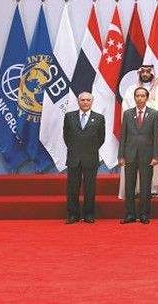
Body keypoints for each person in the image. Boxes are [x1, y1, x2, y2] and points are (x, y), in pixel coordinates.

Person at [119, 65, 158, 199]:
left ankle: (154, 189)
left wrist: (146, 110)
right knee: (133, 160)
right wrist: (144, 109)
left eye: (148, 72)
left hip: (155, 129)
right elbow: (126, 111)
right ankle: (134, 189)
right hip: (135, 130)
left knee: (153, 159)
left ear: (152, 74)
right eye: (143, 72)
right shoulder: (131, 90)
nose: (145, 74)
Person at [118, 87, 158, 224]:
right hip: (129, 155)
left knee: (145, 186)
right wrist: (121, 155)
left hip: (147, 156)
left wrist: (156, 156)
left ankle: (144, 214)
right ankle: (130, 214)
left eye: (142, 96)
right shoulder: (127, 114)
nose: (140, 98)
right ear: (134, 97)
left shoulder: (154, 114)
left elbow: (156, 136)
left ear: (147, 98)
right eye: (137, 96)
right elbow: (123, 136)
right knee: (129, 186)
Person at [63, 92, 105, 224]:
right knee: (72, 188)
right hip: (74, 157)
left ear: (92, 102)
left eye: (88, 100)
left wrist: (89, 149)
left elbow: (101, 139)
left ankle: (89, 214)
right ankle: (73, 215)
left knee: (90, 188)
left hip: (91, 157)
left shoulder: (99, 118)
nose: (85, 102)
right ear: (78, 101)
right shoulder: (69, 116)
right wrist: (75, 149)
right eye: (83, 100)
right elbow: (66, 136)